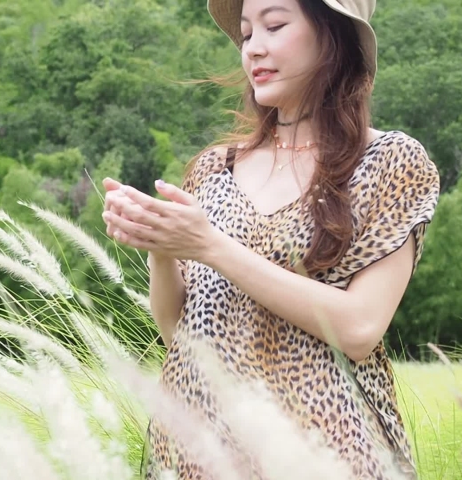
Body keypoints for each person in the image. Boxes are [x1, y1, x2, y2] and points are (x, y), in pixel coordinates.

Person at [101, 0, 440, 477]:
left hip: (325, 453)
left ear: (333, 35)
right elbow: (179, 331)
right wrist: (162, 243)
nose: (253, 48)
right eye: (246, 33)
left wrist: (210, 247)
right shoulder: (215, 168)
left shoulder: (388, 162)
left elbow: (360, 329)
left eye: (274, 26)